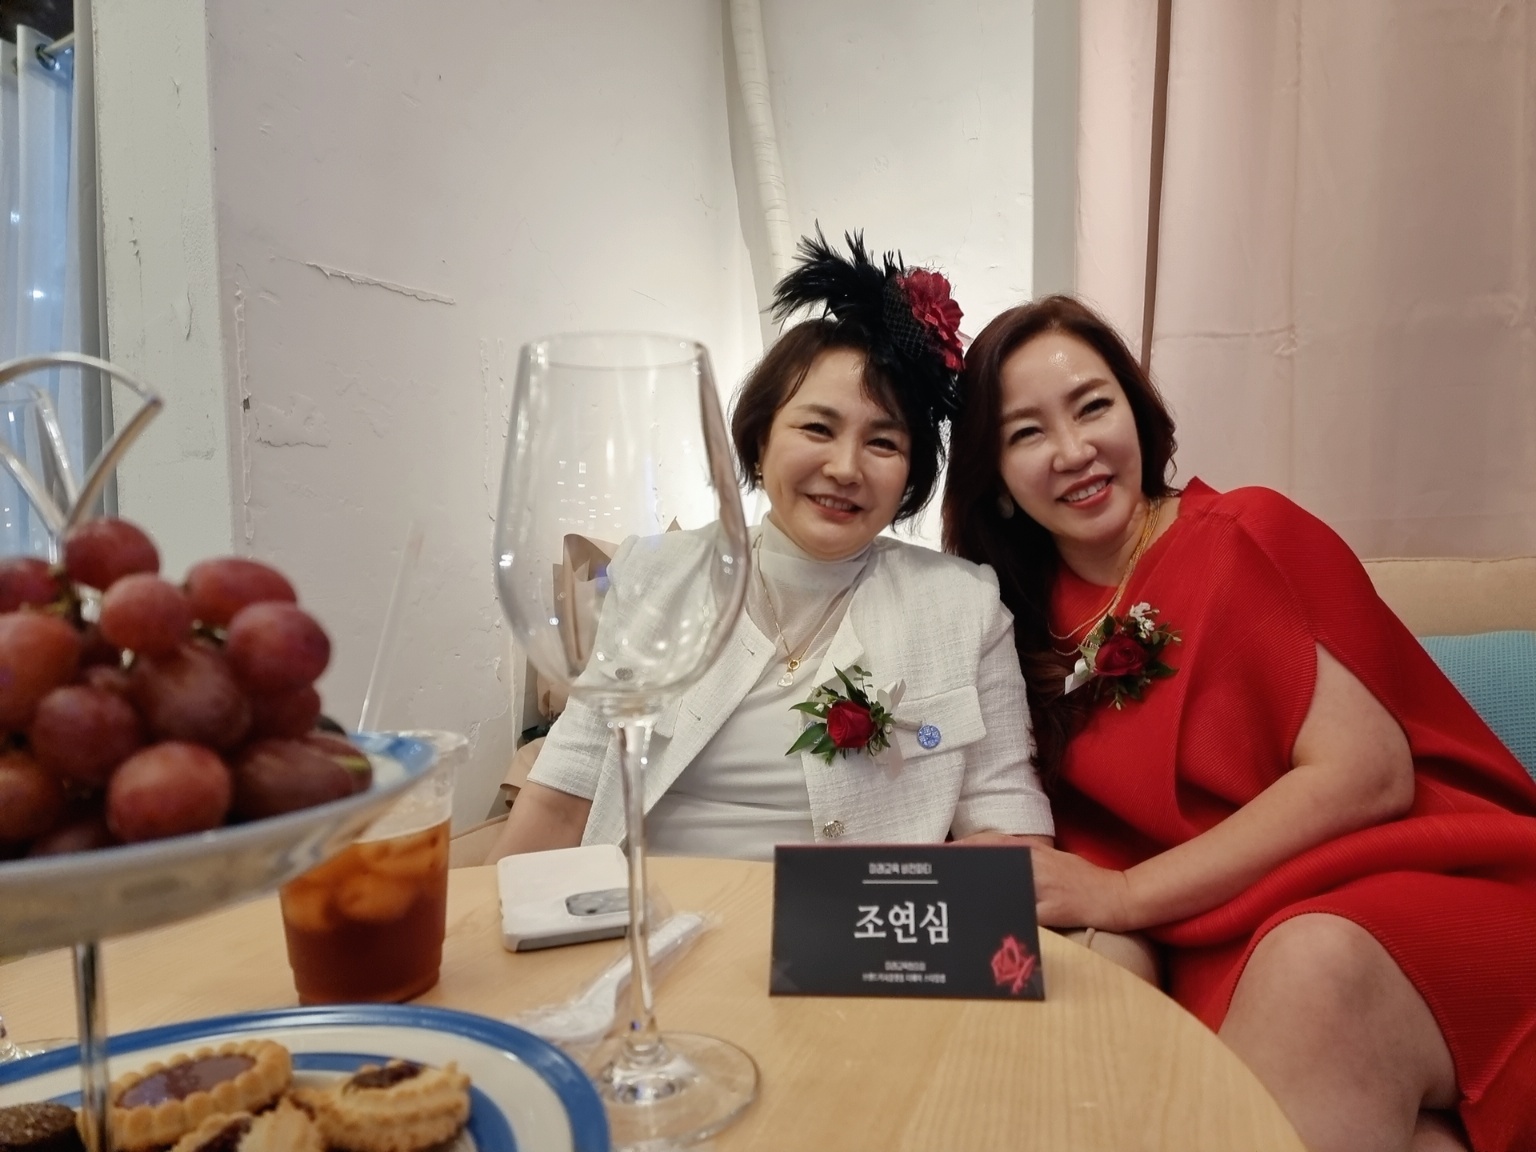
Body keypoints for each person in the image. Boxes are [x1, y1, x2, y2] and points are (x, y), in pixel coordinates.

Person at [941, 294, 1536, 1152]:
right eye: (1026, 433)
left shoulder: (1247, 532)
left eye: (1092, 406)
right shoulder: (1008, 623)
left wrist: (1124, 894)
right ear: (994, 477)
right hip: (1214, 939)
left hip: (1408, 889)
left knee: (1311, 968)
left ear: (1137, 413)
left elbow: (1366, 773)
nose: (1073, 451)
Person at [487, 232, 1053, 864]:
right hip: (641, 907)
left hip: (846, 921)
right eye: (817, 428)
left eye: (883, 443)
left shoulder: (964, 607)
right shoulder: (657, 574)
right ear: (760, 442)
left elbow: (1007, 826)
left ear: (910, 476)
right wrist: (490, 916)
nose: (845, 468)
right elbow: (563, 795)